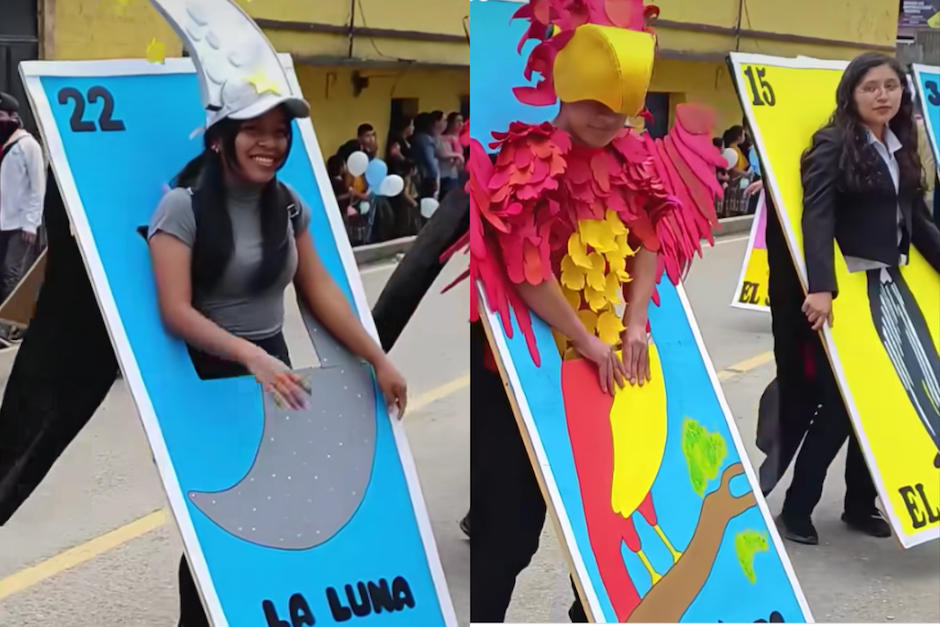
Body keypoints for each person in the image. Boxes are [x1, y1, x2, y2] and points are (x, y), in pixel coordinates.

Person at [470, 0, 722, 621]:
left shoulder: (630, 157)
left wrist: (635, 322)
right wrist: (584, 338)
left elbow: (652, 240)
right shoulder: (530, 159)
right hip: (524, 369)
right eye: (596, 108)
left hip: (608, 360)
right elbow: (526, 270)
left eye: (622, 111)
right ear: (566, 91)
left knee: (625, 513)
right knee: (511, 531)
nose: (610, 122)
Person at [146, 93, 408, 625]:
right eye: (256, 131)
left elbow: (319, 291)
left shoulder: (287, 203)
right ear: (221, 138)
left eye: (281, 132)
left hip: (277, 368)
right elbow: (174, 310)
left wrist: (377, 359)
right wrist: (249, 357)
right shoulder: (183, 207)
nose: (271, 144)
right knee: (215, 529)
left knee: (288, 510)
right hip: (211, 374)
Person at [775, 51, 940, 545]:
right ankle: (796, 508)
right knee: (841, 406)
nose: (882, 95)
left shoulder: (901, 147)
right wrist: (821, 288)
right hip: (846, 295)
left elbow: (917, 224)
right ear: (851, 93)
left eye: (891, 86)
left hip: (893, 284)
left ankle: (859, 504)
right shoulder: (830, 146)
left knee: (887, 396)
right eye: (871, 87)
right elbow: (817, 218)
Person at [0, 92, 45, 305]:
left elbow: (38, 187)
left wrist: (31, 224)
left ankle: (9, 320)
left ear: (11, 117)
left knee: (11, 271)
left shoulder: (27, 145)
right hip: (2, 218)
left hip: (20, 223)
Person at [386, 116, 420, 237]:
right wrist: (406, 161)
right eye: (411, 125)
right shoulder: (397, 142)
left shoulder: (406, 141)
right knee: (405, 205)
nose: (413, 128)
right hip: (401, 177)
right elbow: (396, 157)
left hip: (408, 176)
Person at [411, 112, 440, 206]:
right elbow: (430, 160)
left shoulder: (415, 137)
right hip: (426, 175)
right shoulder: (426, 139)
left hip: (418, 174)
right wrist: (434, 178)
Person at [437, 112, 465, 199]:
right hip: (447, 175)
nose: (461, 124)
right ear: (450, 123)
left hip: (456, 175)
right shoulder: (444, 139)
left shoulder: (460, 138)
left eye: (462, 121)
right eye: (457, 121)